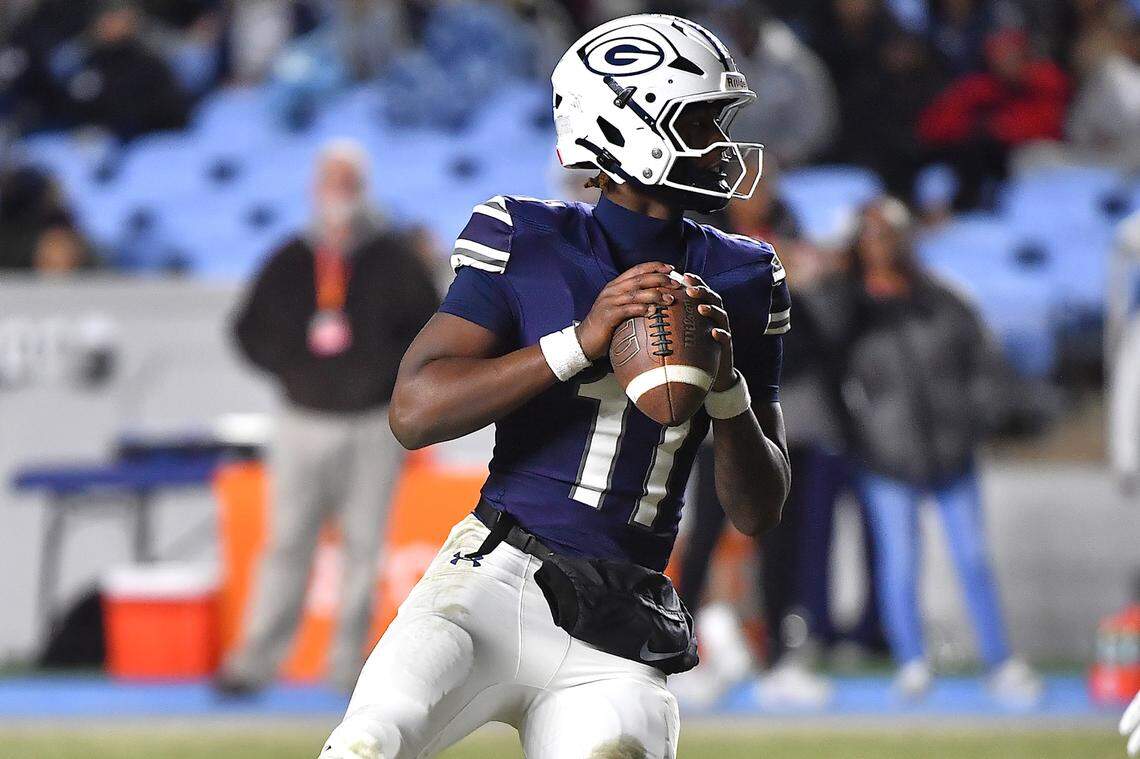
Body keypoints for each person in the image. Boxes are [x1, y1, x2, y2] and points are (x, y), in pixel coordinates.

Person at [320, 15, 790, 758]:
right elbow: (414, 411)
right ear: (629, 126)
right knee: (370, 743)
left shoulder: (743, 273)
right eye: (699, 120)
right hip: (491, 584)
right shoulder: (526, 237)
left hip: (623, 619)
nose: (721, 144)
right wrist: (579, 343)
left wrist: (728, 392)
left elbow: (758, 508)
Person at [217, 139, 440, 695]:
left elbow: (430, 328)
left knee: (365, 547)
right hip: (301, 418)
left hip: (369, 422)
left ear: (362, 187)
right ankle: (254, 663)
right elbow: (246, 328)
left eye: (348, 179)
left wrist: (382, 378)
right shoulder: (291, 257)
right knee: (286, 542)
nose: (338, 190)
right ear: (315, 187)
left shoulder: (393, 258)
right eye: (330, 179)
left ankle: (346, 667)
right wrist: (291, 369)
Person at [836, 197, 1041, 703]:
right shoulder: (848, 311)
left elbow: (981, 366)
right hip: (885, 455)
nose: (881, 243)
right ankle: (912, 661)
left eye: (890, 233)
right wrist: (860, 433)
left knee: (972, 557)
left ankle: (1000, 661)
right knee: (900, 562)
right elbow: (830, 378)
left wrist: (975, 419)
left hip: (951, 449)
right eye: (872, 234)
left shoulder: (942, 300)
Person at [917, 29, 1069, 209]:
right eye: (999, 58)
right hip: (987, 165)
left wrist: (1000, 126)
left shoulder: (1046, 81)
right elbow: (933, 128)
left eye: (1011, 57)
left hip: (1038, 163)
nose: (1005, 64)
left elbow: (1048, 124)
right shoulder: (981, 88)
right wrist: (976, 122)